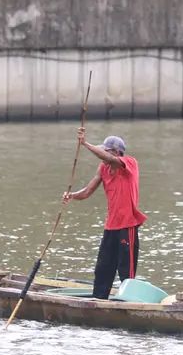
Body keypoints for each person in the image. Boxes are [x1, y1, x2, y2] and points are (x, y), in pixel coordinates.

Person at [62, 127, 147, 299]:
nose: (103, 154)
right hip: (111, 226)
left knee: (126, 270)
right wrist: (71, 196)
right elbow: (87, 191)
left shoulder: (130, 163)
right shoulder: (103, 168)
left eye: (105, 150)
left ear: (117, 152)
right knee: (103, 268)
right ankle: (99, 300)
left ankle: (128, 302)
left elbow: (106, 157)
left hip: (128, 225)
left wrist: (85, 143)